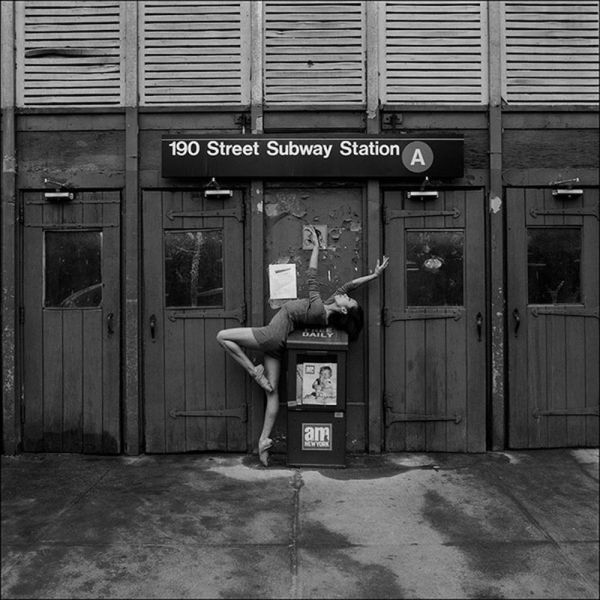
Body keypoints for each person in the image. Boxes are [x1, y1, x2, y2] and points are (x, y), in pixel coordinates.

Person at [216, 225, 389, 466]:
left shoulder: (319, 307)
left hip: (271, 334)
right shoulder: (330, 306)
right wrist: (374, 276)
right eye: (348, 298)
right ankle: (264, 441)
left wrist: (316, 247)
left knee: (223, 336)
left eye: (348, 301)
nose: (346, 296)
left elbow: (312, 274)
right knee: (272, 391)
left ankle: (253, 372)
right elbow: (349, 285)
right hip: (279, 345)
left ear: (342, 309)